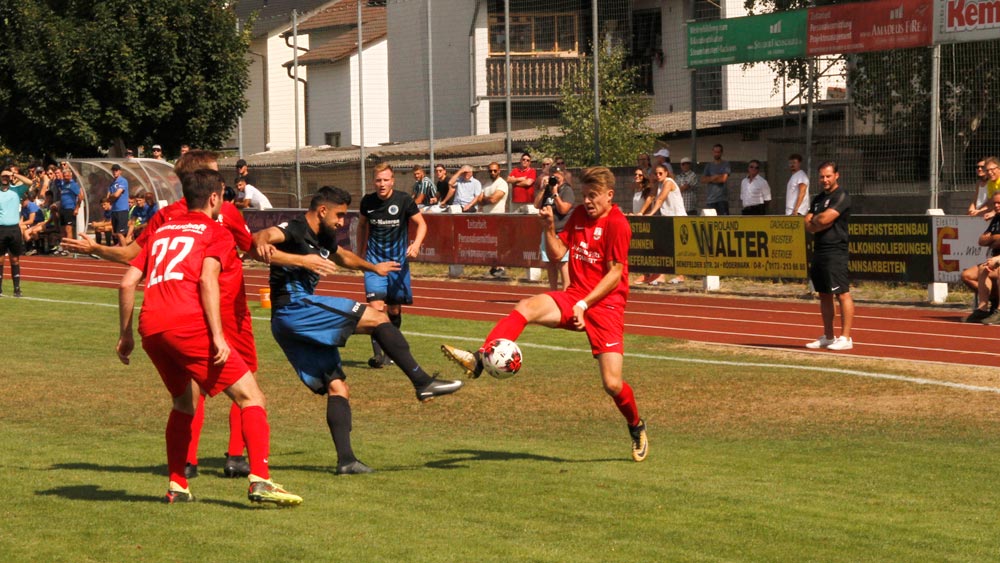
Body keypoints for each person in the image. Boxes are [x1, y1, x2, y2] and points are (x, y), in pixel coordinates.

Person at [62, 150, 256, 479]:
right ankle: (236, 459)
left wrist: (98, 249)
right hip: (215, 308)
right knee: (245, 383)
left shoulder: (170, 215)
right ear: (207, 182)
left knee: (191, 386)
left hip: (183, 310)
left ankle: (190, 463)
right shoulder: (207, 213)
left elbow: (131, 258)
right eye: (214, 173)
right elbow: (252, 247)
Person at [117, 168, 301, 505]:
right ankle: (260, 478)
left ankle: (177, 485)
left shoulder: (161, 230)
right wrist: (218, 336)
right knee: (251, 397)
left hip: (151, 328)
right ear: (215, 198)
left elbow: (127, 282)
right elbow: (207, 280)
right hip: (186, 324)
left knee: (183, 402)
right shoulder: (216, 230)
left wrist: (125, 336)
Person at [441, 166, 648, 463]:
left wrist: (585, 305)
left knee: (612, 384)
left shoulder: (617, 224)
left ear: (609, 196)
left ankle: (636, 425)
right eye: (585, 196)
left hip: (606, 307)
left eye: (593, 196)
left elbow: (615, 274)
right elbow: (557, 252)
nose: (587, 201)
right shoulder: (577, 216)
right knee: (525, 306)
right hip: (575, 297)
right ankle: (480, 357)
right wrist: (549, 227)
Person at [252, 186, 462, 475]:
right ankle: (422, 382)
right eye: (339, 215)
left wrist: (372, 268)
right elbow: (260, 239)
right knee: (377, 318)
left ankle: (346, 461)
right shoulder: (295, 229)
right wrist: (300, 259)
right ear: (322, 210)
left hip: (286, 323)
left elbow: (343, 257)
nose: (342, 222)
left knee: (338, 387)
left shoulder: (324, 236)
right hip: (296, 308)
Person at [359, 163, 427, 368]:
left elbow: (422, 224)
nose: (382, 184)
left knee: (394, 310)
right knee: (376, 308)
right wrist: (359, 252)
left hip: (398, 265)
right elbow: (362, 225)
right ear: (374, 181)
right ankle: (380, 356)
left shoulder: (404, 200)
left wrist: (415, 244)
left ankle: (392, 349)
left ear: (392, 181)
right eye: (378, 180)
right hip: (373, 263)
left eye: (385, 180)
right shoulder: (367, 202)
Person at [804, 161, 854, 351]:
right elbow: (807, 224)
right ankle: (829, 336)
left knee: (841, 293)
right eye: (822, 176)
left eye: (828, 176)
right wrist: (818, 222)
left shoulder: (842, 196)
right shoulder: (817, 199)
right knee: (824, 294)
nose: (824, 180)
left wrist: (818, 220)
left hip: (836, 251)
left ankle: (846, 338)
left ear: (836, 176)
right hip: (820, 249)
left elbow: (824, 219)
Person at [535, 165, 575, 290]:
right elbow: (536, 205)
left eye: (558, 175)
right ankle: (553, 291)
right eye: (553, 175)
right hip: (548, 231)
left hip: (562, 231)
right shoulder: (548, 189)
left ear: (563, 176)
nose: (555, 177)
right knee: (550, 262)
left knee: (563, 263)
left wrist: (556, 193)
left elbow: (563, 209)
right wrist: (543, 189)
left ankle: (565, 292)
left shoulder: (567, 190)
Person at [646, 164, 687, 285]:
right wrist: (642, 212)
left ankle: (680, 276)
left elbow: (660, 199)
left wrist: (651, 214)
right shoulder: (658, 184)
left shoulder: (669, 182)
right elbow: (651, 197)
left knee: (677, 250)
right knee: (663, 248)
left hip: (678, 218)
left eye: (660, 173)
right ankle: (661, 276)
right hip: (667, 219)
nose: (658, 176)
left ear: (666, 173)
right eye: (656, 173)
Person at [964, 192, 1000, 323]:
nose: (996, 206)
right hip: (995, 258)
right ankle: (984, 308)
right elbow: (981, 240)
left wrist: (993, 240)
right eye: (994, 203)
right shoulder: (996, 219)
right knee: (969, 274)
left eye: (999, 203)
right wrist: (994, 238)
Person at [481, 162, 509, 278]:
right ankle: (493, 268)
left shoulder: (502, 184)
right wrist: (485, 199)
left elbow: (493, 199)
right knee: (490, 245)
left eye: (494, 170)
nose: (492, 172)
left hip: (498, 218)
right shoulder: (487, 184)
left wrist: (485, 199)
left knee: (498, 244)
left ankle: (501, 268)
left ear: (499, 171)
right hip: (487, 218)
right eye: (490, 171)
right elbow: (480, 198)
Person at [0, 172, 25, 297]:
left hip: (14, 229)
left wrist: (14, 173)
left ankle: (17, 289)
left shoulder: (17, 190)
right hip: (1, 229)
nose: (5, 178)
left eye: (7, 177)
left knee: (15, 260)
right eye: (3, 176)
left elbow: (30, 183)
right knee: (0, 260)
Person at [702, 144, 731, 215]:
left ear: (721, 153)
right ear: (712, 152)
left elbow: (723, 179)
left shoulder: (726, 164)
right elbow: (703, 180)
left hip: (722, 200)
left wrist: (710, 178)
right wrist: (715, 177)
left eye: (718, 152)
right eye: (715, 152)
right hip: (710, 200)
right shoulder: (708, 165)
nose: (716, 154)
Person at [108, 164, 130, 242]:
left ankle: (124, 251)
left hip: (122, 210)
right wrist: (113, 196)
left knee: (121, 233)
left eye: (116, 170)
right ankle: (118, 251)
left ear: (120, 171)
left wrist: (112, 196)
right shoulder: (111, 183)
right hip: (114, 210)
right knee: (116, 233)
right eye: (113, 170)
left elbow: (117, 194)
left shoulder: (123, 181)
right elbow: (108, 198)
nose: (114, 172)